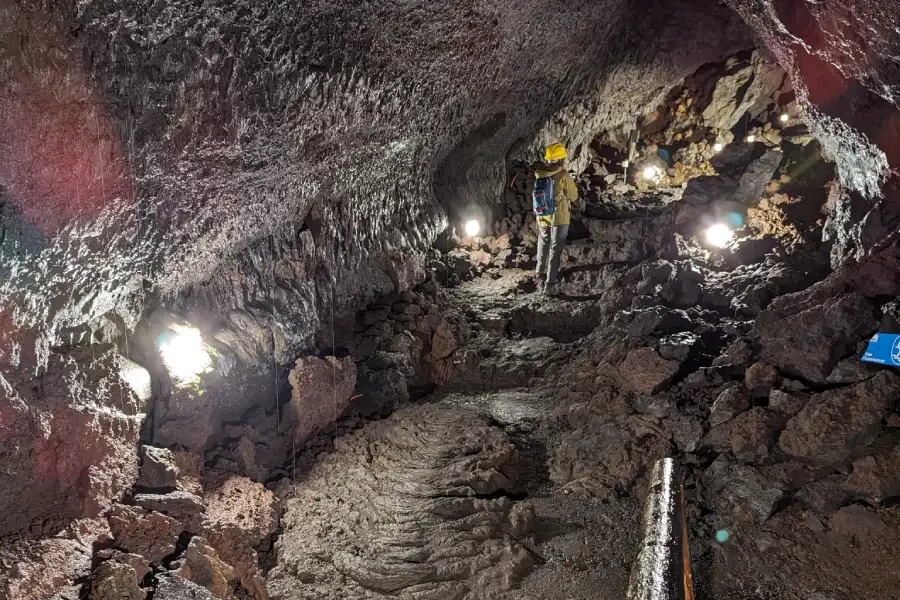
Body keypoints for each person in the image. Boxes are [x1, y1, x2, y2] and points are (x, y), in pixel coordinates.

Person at [533, 143, 578, 296]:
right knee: (555, 249)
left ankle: (539, 271)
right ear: (561, 159)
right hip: (559, 217)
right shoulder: (563, 175)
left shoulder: (539, 173)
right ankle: (550, 284)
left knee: (543, 241)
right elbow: (573, 196)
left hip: (542, 215)